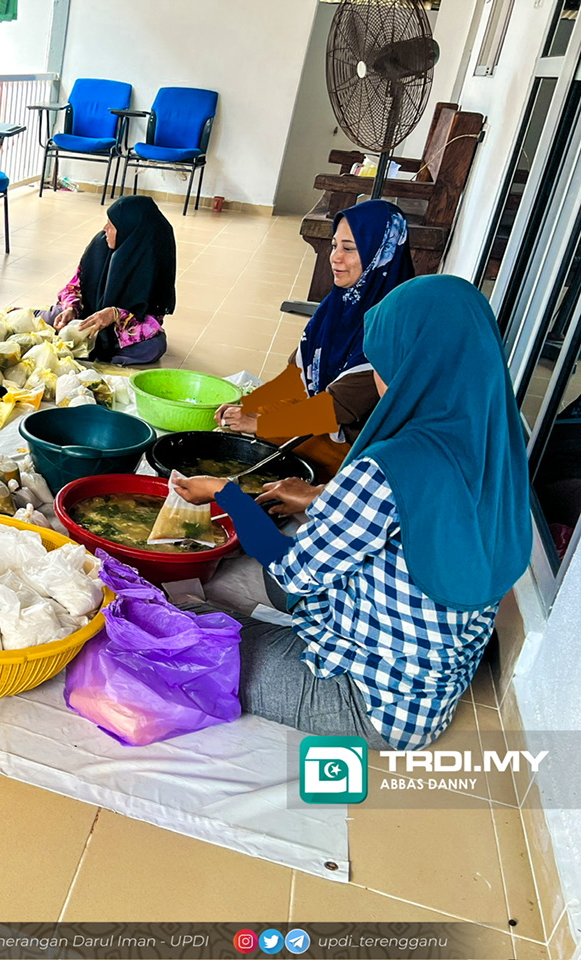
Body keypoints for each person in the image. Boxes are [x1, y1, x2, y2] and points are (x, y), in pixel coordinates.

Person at [174, 275, 531, 750]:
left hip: (368, 700)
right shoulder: (500, 445)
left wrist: (228, 494)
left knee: (178, 621)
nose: (377, 380)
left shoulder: (390, 466)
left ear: (414, 367)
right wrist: (319, 499)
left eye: (381, 364)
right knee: (243, 592)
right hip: (435, 684)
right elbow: (424, 520)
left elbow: (291, 574)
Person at [216, 199, 414, 487]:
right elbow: (297, 376)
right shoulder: (336, 306)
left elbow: (337, 409)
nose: (335, 257)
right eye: (334, 246)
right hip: (317, 420)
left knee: (258, 466)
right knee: (235, 434)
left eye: (349, 248)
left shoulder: (393, 325)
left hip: (354, 446)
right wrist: (250, 404)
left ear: (380, 253)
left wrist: (260, 422)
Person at [45, 194, 176, 365]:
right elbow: (75, 285)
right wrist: (72, 308)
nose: (105, 228)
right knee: (54, 317)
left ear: (128, 230)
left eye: (112, 225)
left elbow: (153, 317)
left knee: (154, 346)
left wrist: (116, 315)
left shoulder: (152, 258)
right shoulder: (100, 245)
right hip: (87, 318)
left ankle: (97, 350)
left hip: (122, 330)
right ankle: (88, 345)